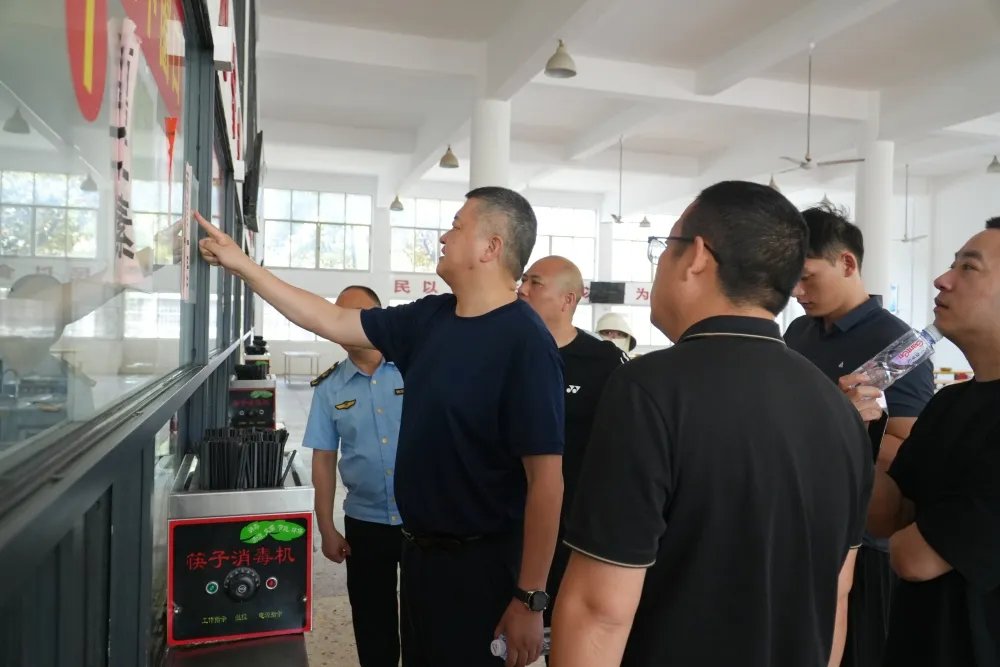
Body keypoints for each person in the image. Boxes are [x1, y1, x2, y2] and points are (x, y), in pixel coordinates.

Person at [194, 186, 564, 667]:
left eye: (456, 225)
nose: (444, 236)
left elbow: (546, 481)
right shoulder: (431, 319)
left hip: (482, 567)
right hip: (420, 557)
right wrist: (242, 265)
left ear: (490, 247)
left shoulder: (525, 341)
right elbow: (329, 318)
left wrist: (530, 598)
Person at [550, 180, 874, 667]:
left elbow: (599, 611)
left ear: (697, 257)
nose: (660, 263)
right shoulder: (840, 412)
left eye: (665, 247)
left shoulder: (650, 390)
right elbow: (836, 598)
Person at [840, 216, 1000, 667]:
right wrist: (853, 435)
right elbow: (889, 516)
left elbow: (916, 559)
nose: (942, 279)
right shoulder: (950, 402)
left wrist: (911, 534)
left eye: (968, 267)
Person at [784, 204, 934, 667]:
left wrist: (836, 421)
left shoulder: (899, 346)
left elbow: (907, 454)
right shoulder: (798, 332)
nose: (797, 291)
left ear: (847, 263)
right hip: (798, 523)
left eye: (806, 277)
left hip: (863, 542)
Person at [517, 255, 629, 650]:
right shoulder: (505, 353)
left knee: (565, 643)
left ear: (568, 299)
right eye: (523, 280)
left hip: (574, 536)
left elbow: (624, 450)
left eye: (535, 283)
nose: (522, 290)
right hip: (505, 528)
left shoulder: (604, 363)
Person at [303, 285, 404, 667]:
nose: (346, 324)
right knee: (372, 621)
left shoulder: (416, 367)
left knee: (427, 620)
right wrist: (326, 527)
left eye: (358, 315)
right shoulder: (330, 388)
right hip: (365, 521)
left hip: (424, 519)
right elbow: (324, 459)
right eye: (339, 316)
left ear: (381, 318)